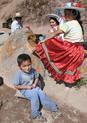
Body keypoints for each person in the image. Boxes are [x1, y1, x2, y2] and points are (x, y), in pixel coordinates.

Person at [35, 1, 86, 87]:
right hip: (79, 49)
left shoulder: (68, 24)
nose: (65, 15)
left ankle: (41, 50)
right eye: (65, 14)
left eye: (68, 14)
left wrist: (44, 40)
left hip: (71, 48)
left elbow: (55, 33)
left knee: (50, 42)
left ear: (74, 14)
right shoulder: (77, 23)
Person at [12, 53, 60, 122]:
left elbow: (37, 77)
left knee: (41, 93)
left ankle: (53, 108)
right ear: (19, 67)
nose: (27, 67)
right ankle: (35, 115)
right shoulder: (18, 74)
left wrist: (34, 83)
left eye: (29, 65)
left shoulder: (33, 70)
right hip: (25, 90)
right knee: (34, 95)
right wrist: (26, 87)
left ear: (31, 63)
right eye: (24, 66)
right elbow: (16, 86)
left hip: (33, 87)